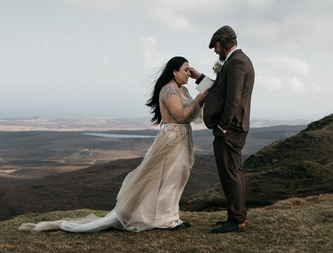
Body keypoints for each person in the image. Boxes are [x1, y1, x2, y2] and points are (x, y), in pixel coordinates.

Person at [19, 56, 208, 233]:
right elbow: (182, 116)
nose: (188, 74)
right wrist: (199, 99)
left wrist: (201, 83)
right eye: (185, 70)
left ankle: (170, 216)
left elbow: (192, 113)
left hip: (183, 138)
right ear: (174, 72)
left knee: (178, 176)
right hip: (173, 139)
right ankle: (167, 220)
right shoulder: (168, 90)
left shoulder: (182, 90)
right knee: (169, 177)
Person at [190, 26, 255, 233]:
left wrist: (222, 126)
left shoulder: (236, 62)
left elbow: (233, 98)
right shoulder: (237, 61)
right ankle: (237, 217)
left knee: (230, 174)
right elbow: (219, 90)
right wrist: (199, 77)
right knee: (233, 172)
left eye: (216, 46)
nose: (215, 50)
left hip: (231, 128)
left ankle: (236, 220)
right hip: (233, 127)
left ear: (224, 42)